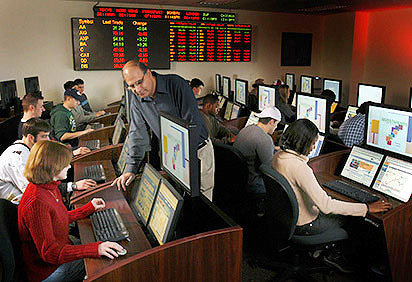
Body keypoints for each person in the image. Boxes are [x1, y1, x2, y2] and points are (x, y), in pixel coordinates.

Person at [273, 119, 391, 271]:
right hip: (304, 224)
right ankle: (337, 256)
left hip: (286, 217)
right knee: (352, 219)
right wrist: (366, 208)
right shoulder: (299, 167)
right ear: (303, 142)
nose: (313, 147)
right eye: (312, 143)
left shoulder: (278, 156)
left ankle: (321, 250)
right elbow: (326, 206)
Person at [18, 140, 124, 282]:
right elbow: (50, 253)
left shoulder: (48, 186)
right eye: (65, 164)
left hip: (60, 252)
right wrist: (94, 249)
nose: (69, 166)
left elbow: (58, 219)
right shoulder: (36, 202)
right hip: (47, 270)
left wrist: (88, 208)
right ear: (52, 167)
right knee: (107, 265)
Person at [112, 60, 214, 201]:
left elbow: (193, 126)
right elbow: (137, 134)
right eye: (132, 86)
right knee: (177, 200)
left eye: (140, 82)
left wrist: (179, 160)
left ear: (148, 73)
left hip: (197, 151)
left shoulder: (177, 85)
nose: (138, 89)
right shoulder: (136, 97)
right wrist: (131, 169)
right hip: (172, 152)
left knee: (200, 202)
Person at [0, 118, 97, 204]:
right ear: (30, 137)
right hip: (17, 207)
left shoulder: (29, 149)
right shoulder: (18, 158)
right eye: (44, 136)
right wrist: (73, 185)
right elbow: (34, 190)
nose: (48, 139)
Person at [234, 106, 281, 195]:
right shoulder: (265, 139)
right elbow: (270, 169)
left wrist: (273, 148)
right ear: (271, 122)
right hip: (254, 186)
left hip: (239, 180)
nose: (276, 127)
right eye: (276, 124)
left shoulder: (247, 129)